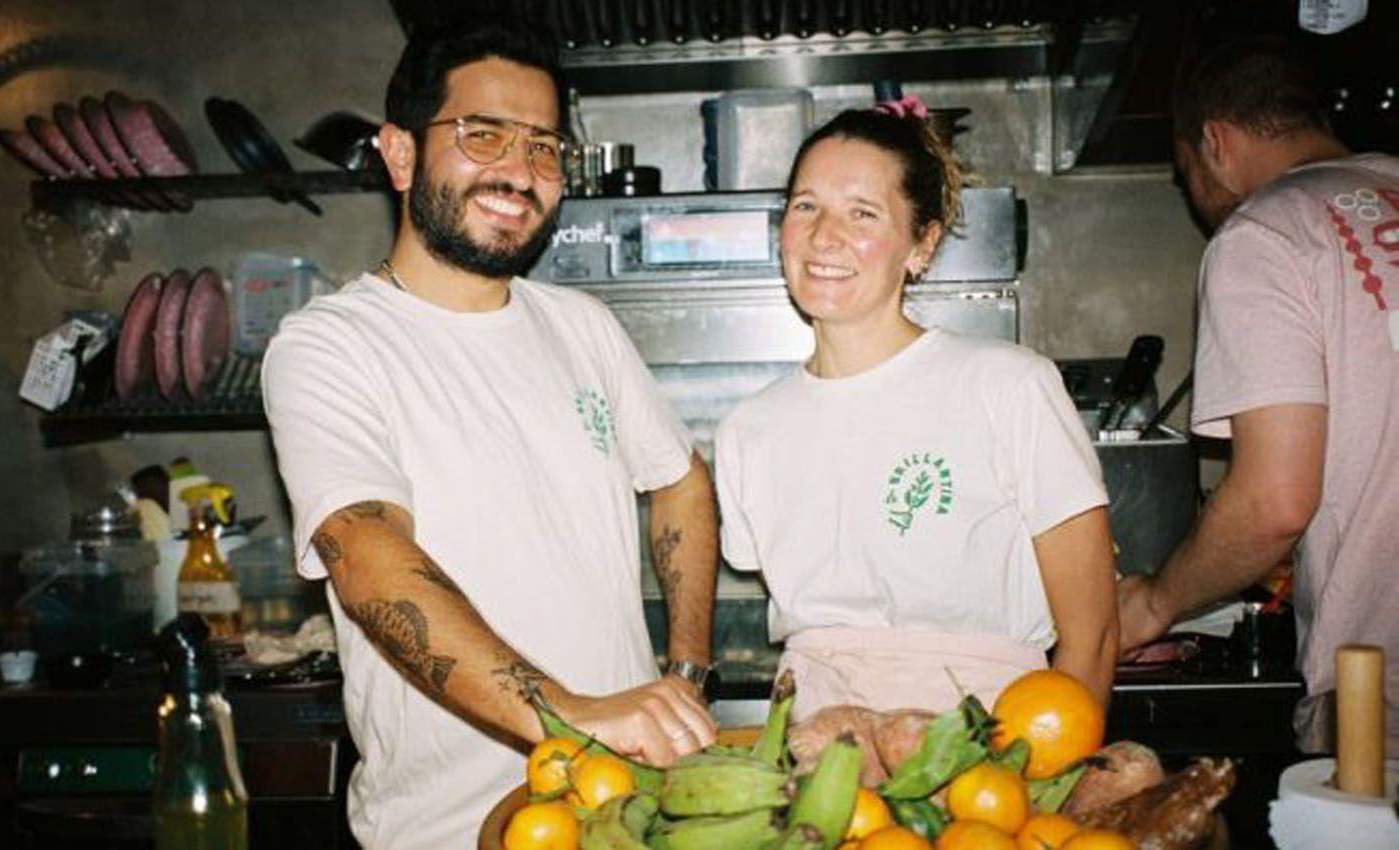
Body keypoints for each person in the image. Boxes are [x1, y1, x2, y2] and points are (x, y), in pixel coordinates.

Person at [261, 19, 719, 848]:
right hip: (442, 830)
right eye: (483, 134)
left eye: (545, 147)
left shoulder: (583, 327)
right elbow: (363, 550)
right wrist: (561, 714)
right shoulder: (329, 345)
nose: (520, 170)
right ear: (400, 155)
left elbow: (681, 480)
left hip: (624, 815)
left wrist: (684, 671)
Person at [713, 103, 1119, 720]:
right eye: (806, 206)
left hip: (987, 751)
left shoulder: (1007, 387)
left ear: (921, 244)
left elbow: (1092, 637)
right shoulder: (748, 431)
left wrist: (1044, 783)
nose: (824, 236)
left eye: (863, 213)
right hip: (820, 762)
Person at [1117, 35, 1399, 756]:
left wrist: (1152, 603)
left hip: (1386, 697)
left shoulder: (1268, 233)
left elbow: (1274, 501)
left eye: (1186, 175)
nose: (1195, 198)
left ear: (1213, 142)